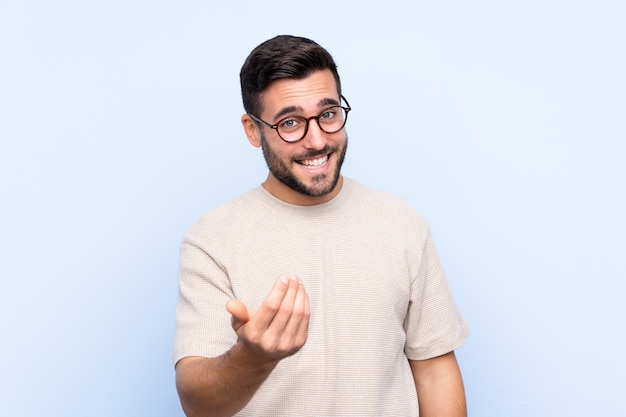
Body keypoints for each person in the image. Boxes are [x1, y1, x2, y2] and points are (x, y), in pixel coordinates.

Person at [173, 35, 469, 417]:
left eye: (328, 114)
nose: (317, 141)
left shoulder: (402, 223)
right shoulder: (211, 239)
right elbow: (198, 404)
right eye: (290, 122)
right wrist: (253, 357)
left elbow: (435, 372)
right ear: (252, 130)